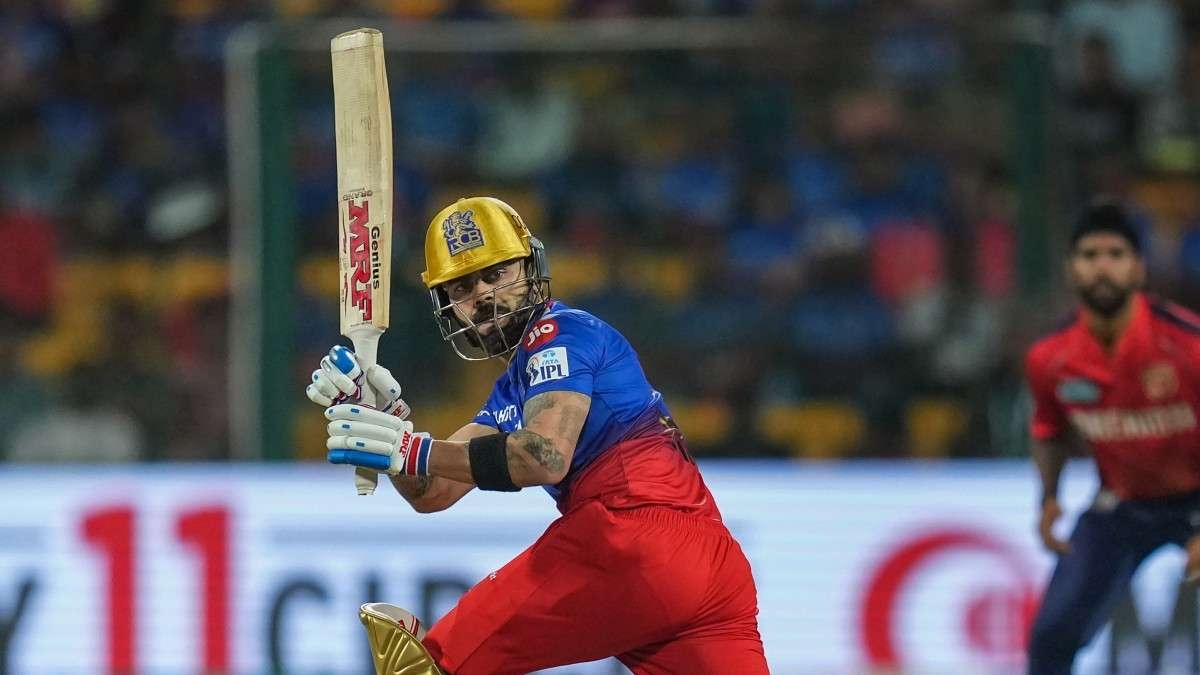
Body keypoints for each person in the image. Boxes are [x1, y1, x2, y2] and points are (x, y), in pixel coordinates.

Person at [305, 196, 768, 675]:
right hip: (713, 568)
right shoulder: (515, 386)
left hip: (633, 539)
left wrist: (407, 448)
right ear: (449, 306)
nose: (483, 295)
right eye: (463, 286)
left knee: (434, 665)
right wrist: (387, 421)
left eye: (496, 273)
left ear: (530, 268)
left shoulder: (559, 334)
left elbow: (544, 457)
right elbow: (432, 491)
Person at [1025, 200, 1200, 675]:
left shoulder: (1188, 346)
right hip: (1123, 504)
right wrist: (1049, 498)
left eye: (1116, 255)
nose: (1102, 267)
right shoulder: (1051, 357)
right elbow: (1049, 430)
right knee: (1050, 639)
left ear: (1138, 268)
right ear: (1071, 270)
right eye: (1090, 255)